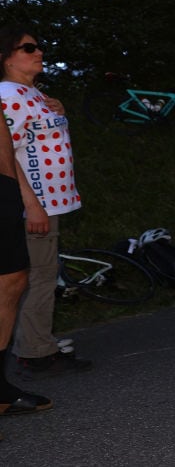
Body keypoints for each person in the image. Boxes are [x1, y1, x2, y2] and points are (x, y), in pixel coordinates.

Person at [0, 27, 91, 379]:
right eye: (29, 48)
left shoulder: (30, 92)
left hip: (48, 203)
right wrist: (32, 204)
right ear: (7, 57)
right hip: (35, 205)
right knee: (37, 278)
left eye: (39, 46)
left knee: (39, 276)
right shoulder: (8, 95)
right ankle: (36, 352)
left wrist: (60, 110)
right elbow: (5, 154)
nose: (39, 52)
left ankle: (34, 342)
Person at [0, 54, 53, 417]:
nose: (39, 52)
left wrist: (17, 192)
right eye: (28, 47)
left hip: (4, 184)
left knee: (13, 280)